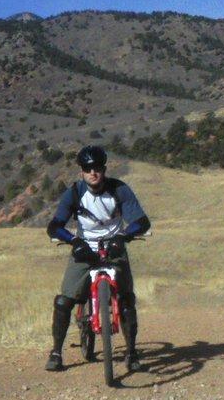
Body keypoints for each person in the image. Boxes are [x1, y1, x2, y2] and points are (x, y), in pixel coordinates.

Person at [45, 145, 151, 372]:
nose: (93, 172)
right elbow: (54, 226)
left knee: (127, 300)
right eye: (87, 168)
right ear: (81, 171)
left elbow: (142, 222)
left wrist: (123, 236)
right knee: (64, 301)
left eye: (97, 168)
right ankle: (56, 352)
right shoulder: (74, 192)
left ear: (104, 168)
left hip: (114, 247)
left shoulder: (119, 190)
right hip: (85, 249)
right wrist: (74, 242)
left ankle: (131, 353)